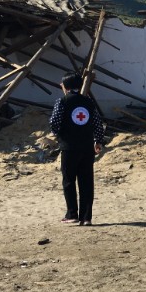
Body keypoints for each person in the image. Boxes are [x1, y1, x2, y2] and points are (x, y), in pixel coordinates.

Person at [50, 71, 105, 226]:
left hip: (69, 148)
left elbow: (54, 123)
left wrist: (60, 136)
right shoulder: (88, 102)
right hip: (87, 147)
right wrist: (98, 141)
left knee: (69, 181)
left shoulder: (62, 101)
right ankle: (86, 217)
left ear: (65, 86)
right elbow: (97, 124)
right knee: (87, 182)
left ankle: (72, 214)